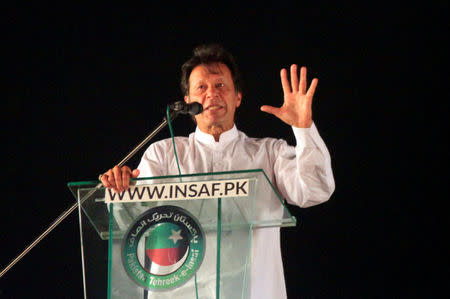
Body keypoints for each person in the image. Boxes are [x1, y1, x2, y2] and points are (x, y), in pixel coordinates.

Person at [100, 44, 335, 299]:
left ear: (238, 98)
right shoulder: (164, 155)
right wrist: (118, 192)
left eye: (221, 85)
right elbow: (134, 223)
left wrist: (303, 129)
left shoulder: (269, 154)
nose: (212, 93)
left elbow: (314, 190)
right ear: (188, 102)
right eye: (201, 87)